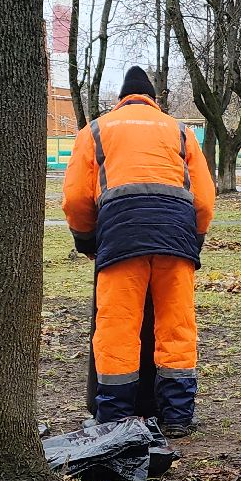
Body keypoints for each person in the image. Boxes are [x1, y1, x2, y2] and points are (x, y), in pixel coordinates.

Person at [62, 66, 215, 437]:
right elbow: (205, 198)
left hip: (121, 238)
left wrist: (86, 239)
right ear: (154, 100)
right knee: (176, 324)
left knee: (118, 324)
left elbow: (76, 197)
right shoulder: (180, 131)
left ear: (120, 100)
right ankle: (178, 416)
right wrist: (193, 238)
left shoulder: (96, 130)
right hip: (175, 237)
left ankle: (114, 418)